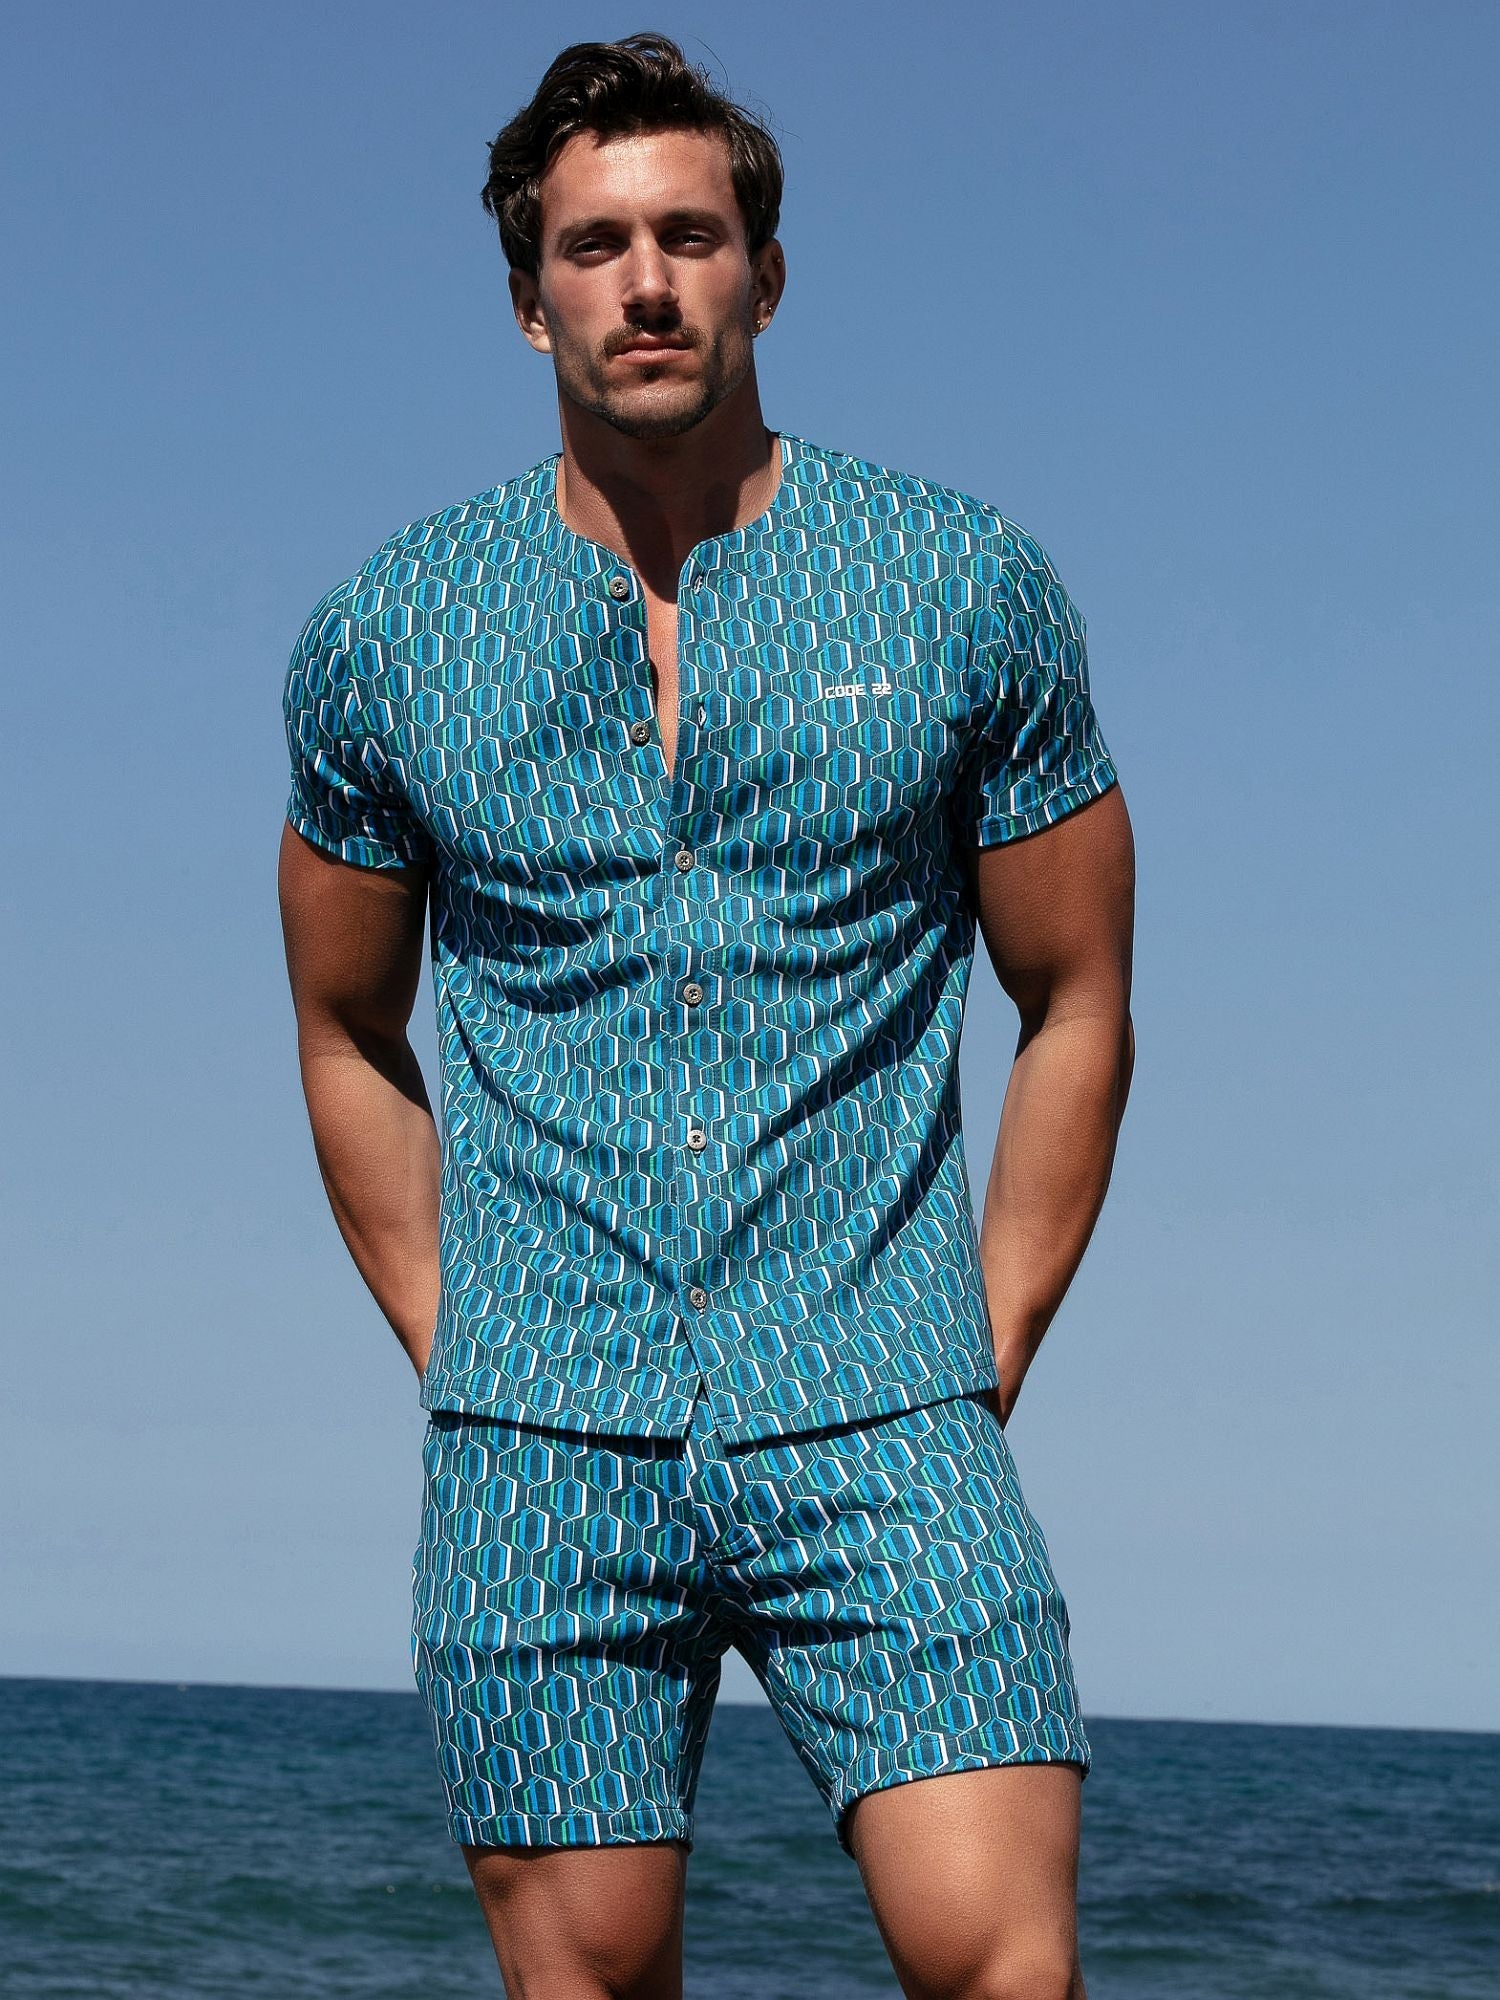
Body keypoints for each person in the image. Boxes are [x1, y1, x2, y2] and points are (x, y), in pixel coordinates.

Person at [279, 31, 1134, 2000]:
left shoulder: (962, 586)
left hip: (882, 1402)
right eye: (594, 246)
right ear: (529, 300)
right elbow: (343, 1027)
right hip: (539, 1438)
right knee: (585, 1983)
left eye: (690, 234)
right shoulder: (387, 636)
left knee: (1005, 1967)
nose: (645, 283)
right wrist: (462, 1339)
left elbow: (1076, 992)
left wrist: (980, 1340)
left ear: (766, 271)